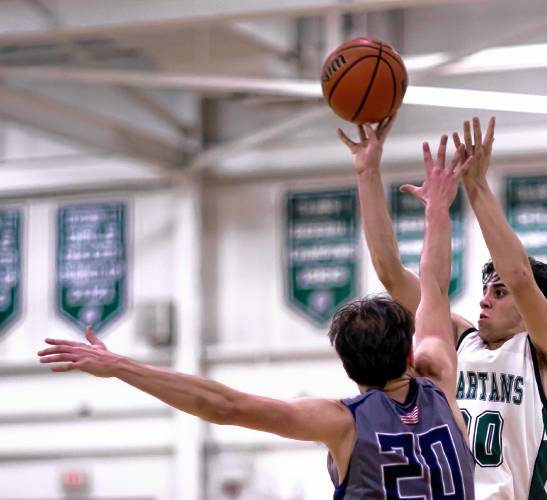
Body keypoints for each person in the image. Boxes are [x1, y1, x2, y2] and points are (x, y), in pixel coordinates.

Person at [38, 131, 475, 500]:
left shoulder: (342, 422)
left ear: (345, 365)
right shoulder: (438, 378)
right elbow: (433, 284)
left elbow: (224, 406)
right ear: (408, 350)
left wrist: (122, 366)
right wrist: (437, 208)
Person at [340, 114, 547, 499]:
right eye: (486, 289)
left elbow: (518, 275)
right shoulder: (459, 342)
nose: (484, 299)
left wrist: (477, 185)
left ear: (535, 308)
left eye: (498, 293)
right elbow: (389, 273)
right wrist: (368, 173)